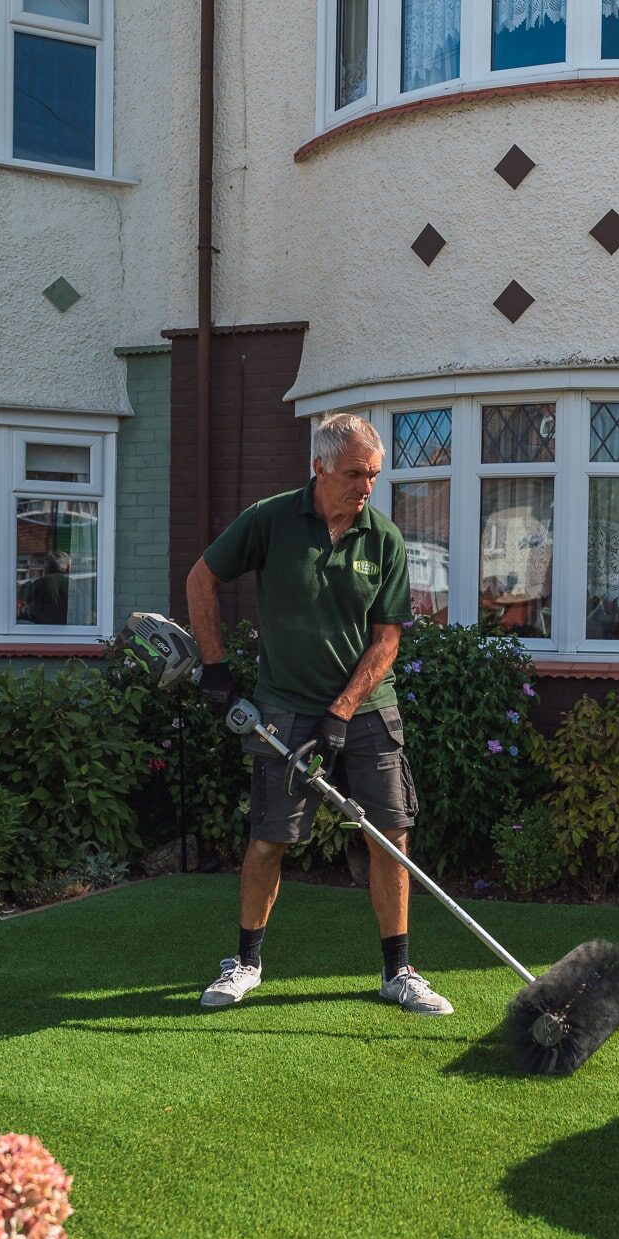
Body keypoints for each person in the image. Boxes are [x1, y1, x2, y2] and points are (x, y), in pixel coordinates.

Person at [182, 413, 452, 1015]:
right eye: (355, 473)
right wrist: (216, 666)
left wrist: (342, 712)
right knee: (270, 838)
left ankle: (398, 971)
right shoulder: (270, 520)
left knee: (392, 837)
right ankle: (246, 963)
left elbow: (386, 641)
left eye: (375, 476)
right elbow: (202, 579)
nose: (366, 487)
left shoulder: (383, 539)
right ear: (319, 467)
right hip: (283, 707)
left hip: (366, 711)